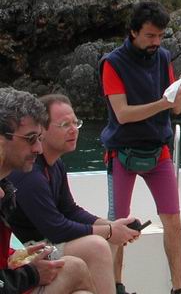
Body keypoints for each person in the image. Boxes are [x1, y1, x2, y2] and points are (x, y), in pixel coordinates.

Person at [99, 2, 181, 294]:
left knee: (173, 220)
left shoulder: (163, 57)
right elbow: (123, 114)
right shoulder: (112, 63)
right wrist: (164, 104)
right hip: (122, 151)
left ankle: (178, 288)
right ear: (133, 32)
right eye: (150, 35)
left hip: (158, 149)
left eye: (161, 36)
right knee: (118, 225)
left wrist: (180, 92)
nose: (157, 42)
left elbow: (176, 109)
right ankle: (115, 287)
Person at [7, 94, 140, 294]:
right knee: (97, 245)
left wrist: (111, 226)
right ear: (42, 131)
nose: (73, 130)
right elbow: (56, 229)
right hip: (27, 251)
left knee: (106, 239)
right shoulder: (29, 173)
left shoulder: (55, 164)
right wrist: (110, 231)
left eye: (75, 123)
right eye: (64, 125)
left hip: (47, 243)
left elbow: (70, 210)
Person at [0, 89, 96, 293]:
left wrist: (14, 256)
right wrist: (31, 274)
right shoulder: (27, 179)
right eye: (30, 138)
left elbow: (69, 209)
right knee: (75, 267)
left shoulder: (5, 189)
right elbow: (55, 227)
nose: (38, 148)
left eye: (39, 138)